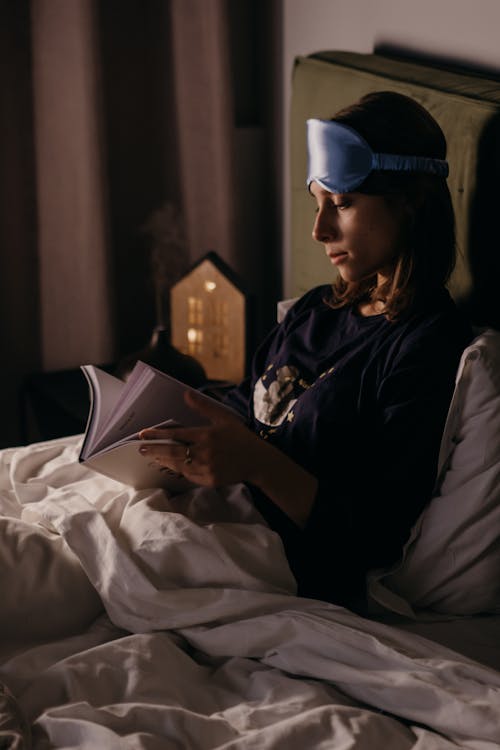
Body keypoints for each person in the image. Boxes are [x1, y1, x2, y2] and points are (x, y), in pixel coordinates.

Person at [138, 91, 472, 609]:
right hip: (218, 512)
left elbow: (374, 535)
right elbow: (245, 404)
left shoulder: (424, 346)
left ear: (411, 200)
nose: (319, 231)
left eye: (341, 204)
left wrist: (260, 465)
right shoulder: (316, 309)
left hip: (283, 565)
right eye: (317, 203)